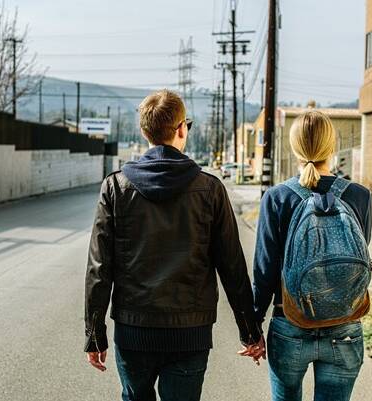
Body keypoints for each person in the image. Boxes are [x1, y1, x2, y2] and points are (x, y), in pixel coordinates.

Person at [84, 89, 263, 401]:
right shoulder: (210, 190)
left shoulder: (115, 187)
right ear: (182, 129)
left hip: (133, 330)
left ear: (144, 132)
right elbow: (232, 266)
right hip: (189, 334)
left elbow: (100, 269)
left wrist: (95, 335)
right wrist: (249, 330)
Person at [252, 110, 372, 401]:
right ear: (332, 147)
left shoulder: (277, 197)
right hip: (344, 326)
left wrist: (253, 326)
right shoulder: (359, 195)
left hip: (289, 322)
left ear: (295, 148)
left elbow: (265, 272)